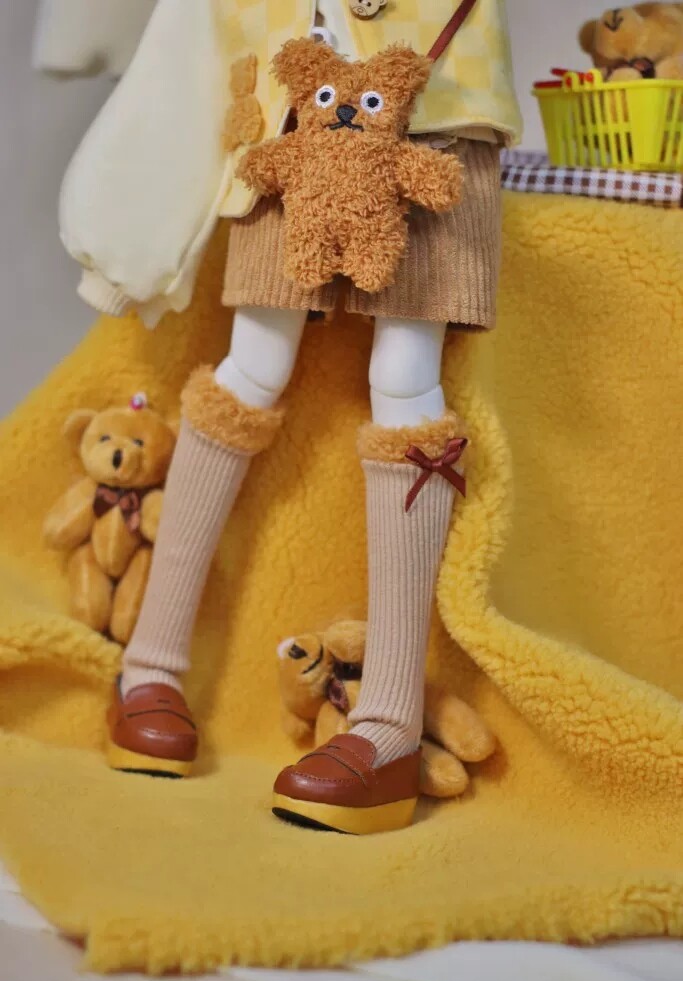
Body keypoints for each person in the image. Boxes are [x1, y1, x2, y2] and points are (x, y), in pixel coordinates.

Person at [59, 0, 522, 834]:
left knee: (406, 378)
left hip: (437, 110)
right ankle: (150, 666)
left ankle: (386, 722)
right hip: (290, 115)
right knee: (253, 365)